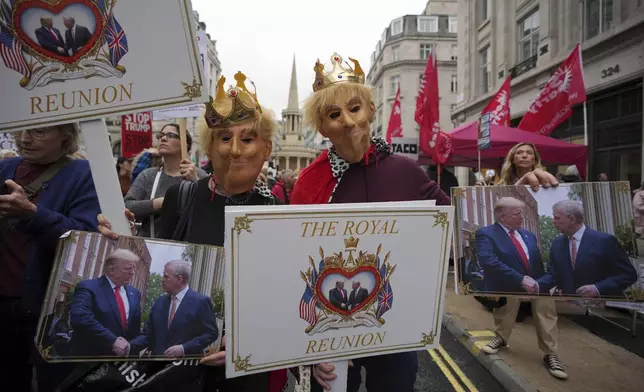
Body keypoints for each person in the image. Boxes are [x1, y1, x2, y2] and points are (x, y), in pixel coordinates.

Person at [96, 71, 288, 392]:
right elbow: (154, 267)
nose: (235, 150)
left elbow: (284, 294)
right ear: (209, 149)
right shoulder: (180, 197)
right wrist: (120, 241)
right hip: (183, 363)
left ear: (266, 149)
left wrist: (248, 340)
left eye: (248, 138)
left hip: (249, 365)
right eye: (224, 138)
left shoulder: (277, 211)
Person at [291, 52, 449, 392]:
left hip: (394, 325)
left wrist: (521, 191)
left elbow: (455, 227)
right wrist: (309, 347)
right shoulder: (309, 181)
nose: (347, 121)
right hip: (329, 335)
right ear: (322, 127)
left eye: (354, 108)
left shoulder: (406, 171)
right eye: (334, 114)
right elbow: (294, 262)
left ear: (371, 111)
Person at [0, 123, 100, 391]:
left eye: (38, 131)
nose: (24, 138)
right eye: (19, 130)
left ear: (65, 134)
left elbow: (86, 240)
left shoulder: (83, 174)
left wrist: (33, 214)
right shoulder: (5, 169)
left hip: (50, 311)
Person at [477, 197, 566, 380]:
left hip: (538, 282)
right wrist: (520, 279)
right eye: (518, 213)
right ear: (502, 217)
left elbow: (537, 262)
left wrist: (543, 283)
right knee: (506, 312)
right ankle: (501, 338)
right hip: (509, 282)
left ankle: (550, 354)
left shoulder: (528, 235)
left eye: (522, 213)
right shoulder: (486, 233)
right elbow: (488, 260)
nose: (522, 217)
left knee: (546, 314)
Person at [538, 200, 637, 298]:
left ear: (572, 219)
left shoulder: (605, 241)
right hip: (570, 310)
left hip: (604, 309)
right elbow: (553, 274)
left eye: (557, 218)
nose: (553, 221)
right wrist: (537, 285)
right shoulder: (557, 244)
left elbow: (628, 275)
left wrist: (598, 288)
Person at [124, 124, 207, 238]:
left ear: (185, 144)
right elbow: (126, 206)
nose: (163, 138)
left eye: (171, 135)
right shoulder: (148, 175)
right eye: (161, 135)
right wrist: (155, 204)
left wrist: (196, 181)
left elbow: (212, 208)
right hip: (149, 249)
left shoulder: (199, 175)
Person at [129, 260, 218, 357]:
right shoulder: (159, 302)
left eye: (166, 276)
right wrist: (129, 346)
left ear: (179, 279)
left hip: (185, 367)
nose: (162, 279)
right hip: (155, 367)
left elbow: (211, 333)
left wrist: (184, 348)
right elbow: (148, 334)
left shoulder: (201, 302)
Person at [69, 249, 142, 357]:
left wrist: (130, 351)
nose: (132, 273)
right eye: (128, 269)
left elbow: (134, 329)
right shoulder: (88, 287)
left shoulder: (135, 294)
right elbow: (80, 317)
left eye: (133, 268)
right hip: (89, 358)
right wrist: (112, 340)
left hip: (120, 362)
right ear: (111, 270)